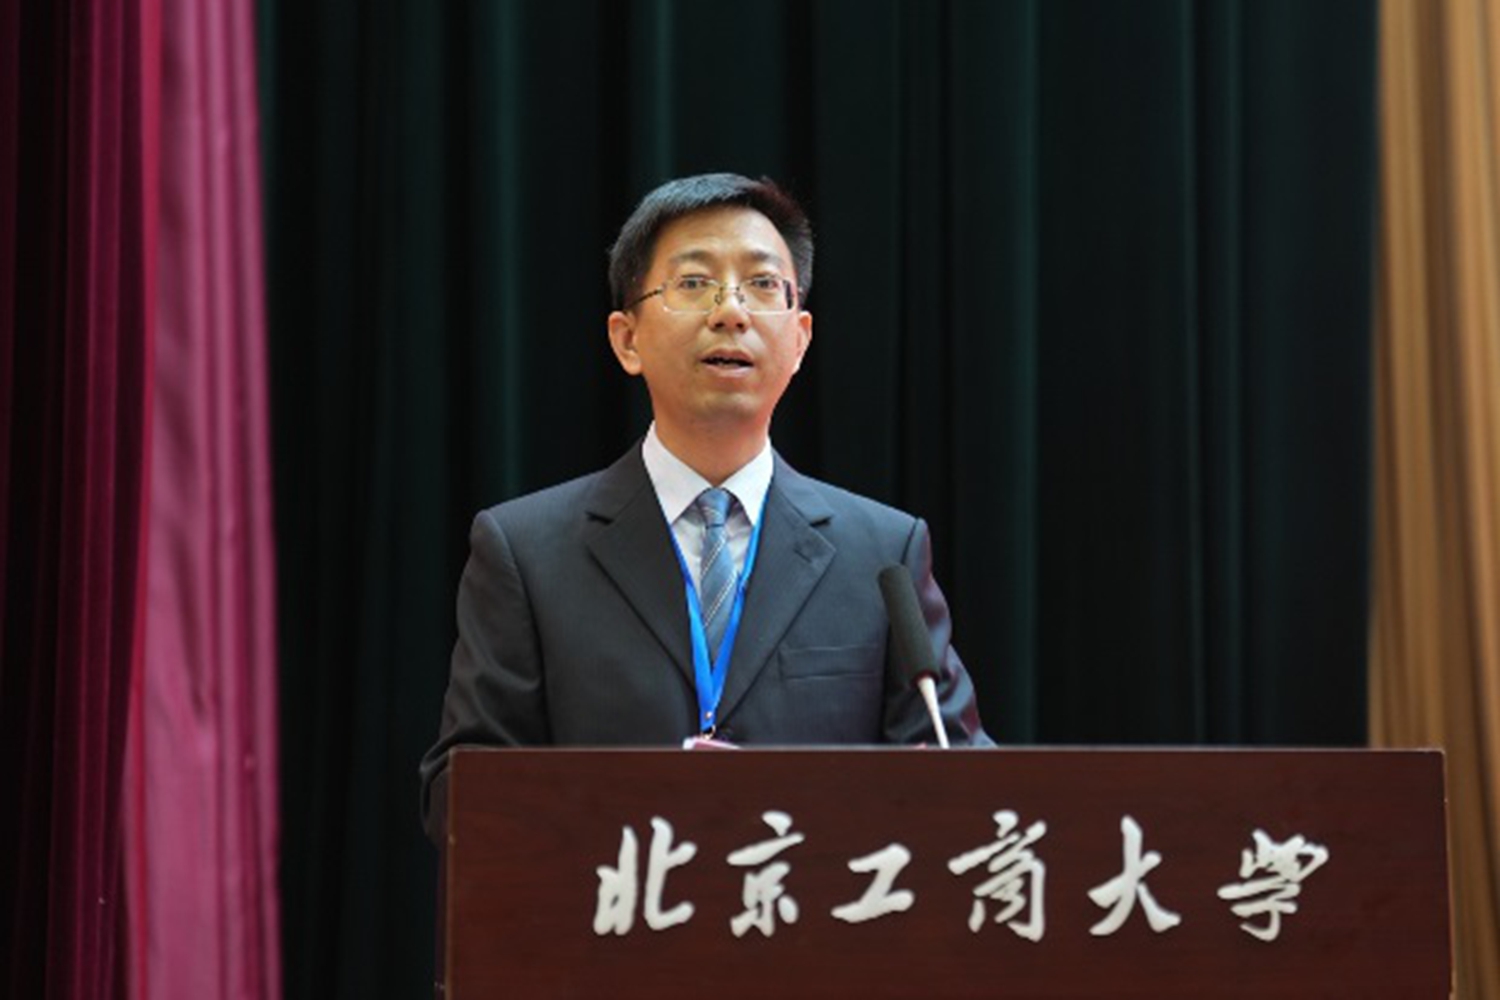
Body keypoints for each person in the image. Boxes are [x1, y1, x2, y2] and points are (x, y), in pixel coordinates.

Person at [420, 173, 990, 842]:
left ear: (800, 339)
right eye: (694, 282)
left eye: (762, 284)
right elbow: (461, 794)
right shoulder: (526, 552)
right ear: (626, 339)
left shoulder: (882, 554)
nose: (731, 312)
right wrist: (659, 803)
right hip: (615, 902)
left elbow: (968, 786)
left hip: (813, 906)